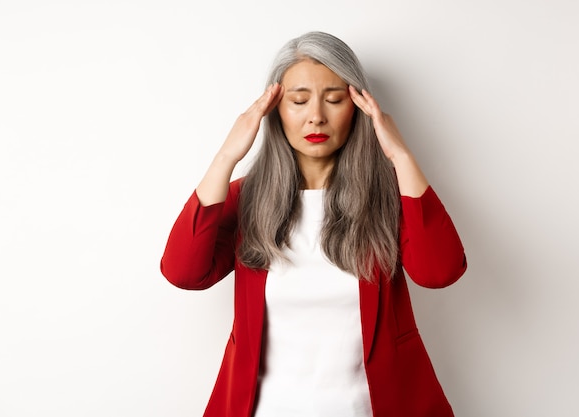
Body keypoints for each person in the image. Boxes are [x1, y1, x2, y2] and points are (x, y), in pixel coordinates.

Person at [160, 31, 467, 417]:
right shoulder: (246, 200)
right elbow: (183, 272)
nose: (316, 116)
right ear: (275, 110)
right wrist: (227, 155)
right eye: (299, 100)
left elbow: (440, 271)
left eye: (334, 99)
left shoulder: (389, 196)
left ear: (357, 105)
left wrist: (400, 155)